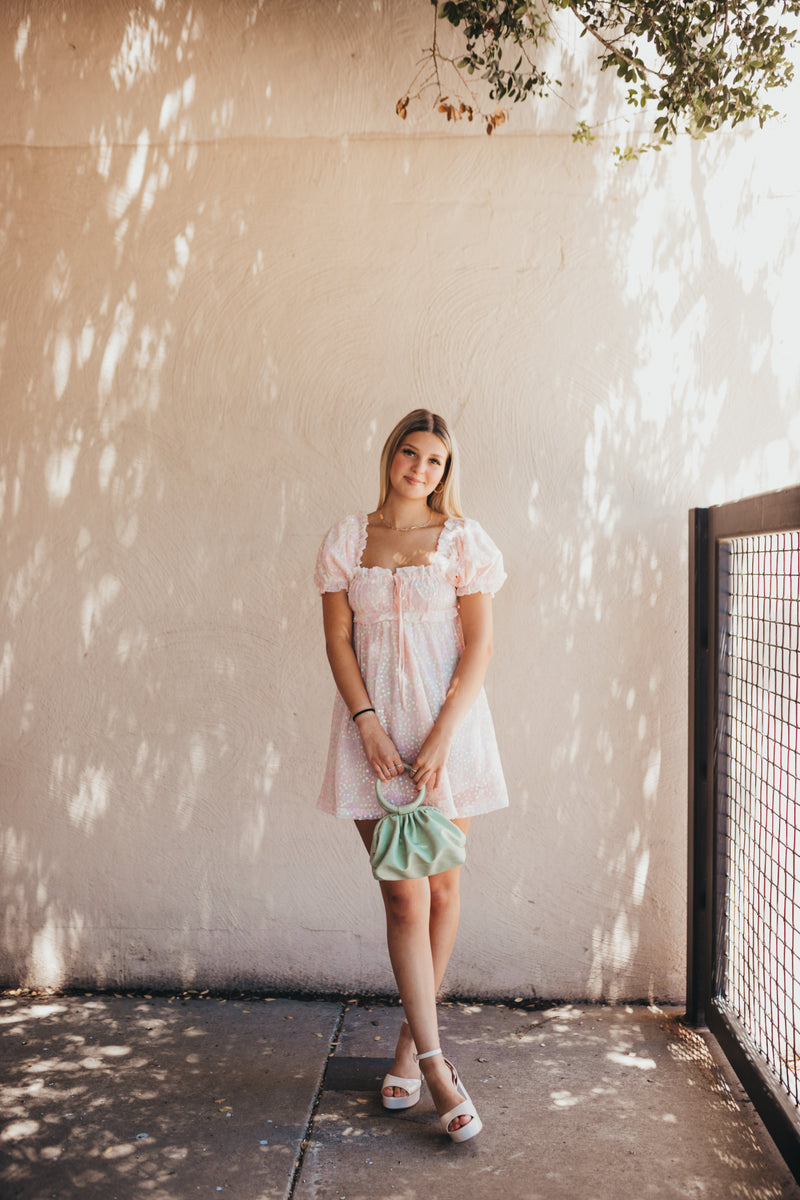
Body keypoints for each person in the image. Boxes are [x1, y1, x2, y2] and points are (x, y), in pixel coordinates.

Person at [314, 409, 508, 1144]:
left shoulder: (463, 541)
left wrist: (441, 740)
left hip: (447, 736)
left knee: (445, 888)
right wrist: (367, 721)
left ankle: (408, 1044)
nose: (420, 470)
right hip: (374, 740)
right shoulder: (346, 539)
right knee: (403, 896)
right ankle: (435, 1065)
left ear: (446, 472)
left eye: (435, 461)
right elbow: (337, 639)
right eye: (409, 453)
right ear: (389, 455)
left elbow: (480, 648)